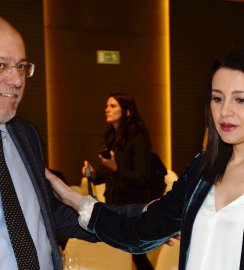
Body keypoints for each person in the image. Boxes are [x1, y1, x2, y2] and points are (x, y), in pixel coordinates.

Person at [46, 46, 244, 270]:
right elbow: (139, 233)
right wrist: (73, 198)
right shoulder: (202, 168)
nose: (225, 111)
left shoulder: (138, 138)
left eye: (240, 100)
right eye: (218, 98)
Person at [0, 11, 101, 270]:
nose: (17, 80)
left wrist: (144, 221)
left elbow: (50, 215)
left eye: (21, 66)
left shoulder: (25, 136)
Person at [82, 93, 154, 269]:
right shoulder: (112, 137)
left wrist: (115, 168)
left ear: (127, 111)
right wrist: (93, 174)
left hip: (133, 205)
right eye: (107, 105)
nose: (107, 109)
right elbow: (110, 175)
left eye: (113, 106)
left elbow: (143, 178)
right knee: (124, 253)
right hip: (114, 203)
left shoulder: (138, 139)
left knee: (136, 253)